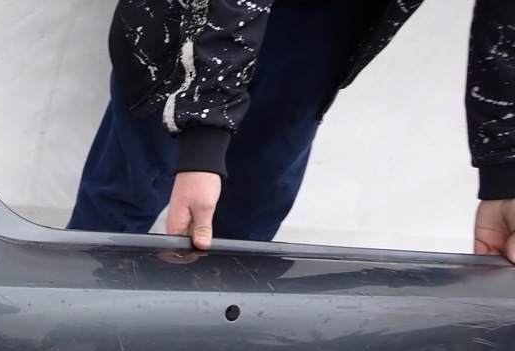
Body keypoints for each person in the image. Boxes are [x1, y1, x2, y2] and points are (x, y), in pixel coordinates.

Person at [67, 0, 515, 262]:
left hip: (325, 25)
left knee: (247, 225)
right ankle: (61, 336)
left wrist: (505, 175)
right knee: (127, 196)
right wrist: (203, 136)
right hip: (194, 18)